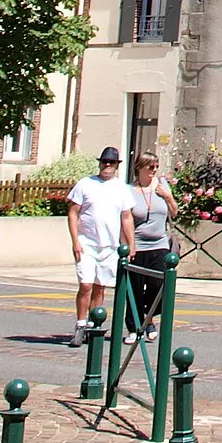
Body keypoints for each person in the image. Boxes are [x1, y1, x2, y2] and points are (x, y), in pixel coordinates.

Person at [67, 147, 136, 347]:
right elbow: (73, 213)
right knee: (86, 284)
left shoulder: (121, 188)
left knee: (99, 286)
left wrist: (131, 244)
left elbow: (126, 217)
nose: (107, 166)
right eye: (104, 162)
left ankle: (93, 325)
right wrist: (75, 241)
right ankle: (80, 324)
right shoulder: (85, 184)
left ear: (116, 166)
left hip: (110, 245)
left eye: (111, 163)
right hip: (87, 243)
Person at [127, 151, 179, 340]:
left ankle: (148, 319)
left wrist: (168, 196)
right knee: (135, 287)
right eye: (150, 167)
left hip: (160, 244)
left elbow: (174, 213)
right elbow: (127, 220)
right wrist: (129, 245)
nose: (154, 170)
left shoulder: (162, 186)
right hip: (138, 245)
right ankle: (134, 328)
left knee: (158, 285)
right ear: (140, 167)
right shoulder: (129, 190)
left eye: (156, 166)